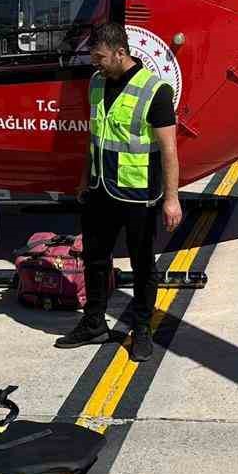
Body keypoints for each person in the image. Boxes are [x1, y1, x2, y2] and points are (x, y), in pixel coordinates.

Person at [54, 22, 183, 362]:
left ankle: (141, 328)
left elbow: (169, 149)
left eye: (99, 57)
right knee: (95, 259)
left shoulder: (155, 90)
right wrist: (85, 178)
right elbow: (95, 137)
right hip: (99, 189)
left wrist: (172, 198)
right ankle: (94, 322)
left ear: (120, 52)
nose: (94, 63)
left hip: (137, 193)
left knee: (143, 265)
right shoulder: (97, 82)